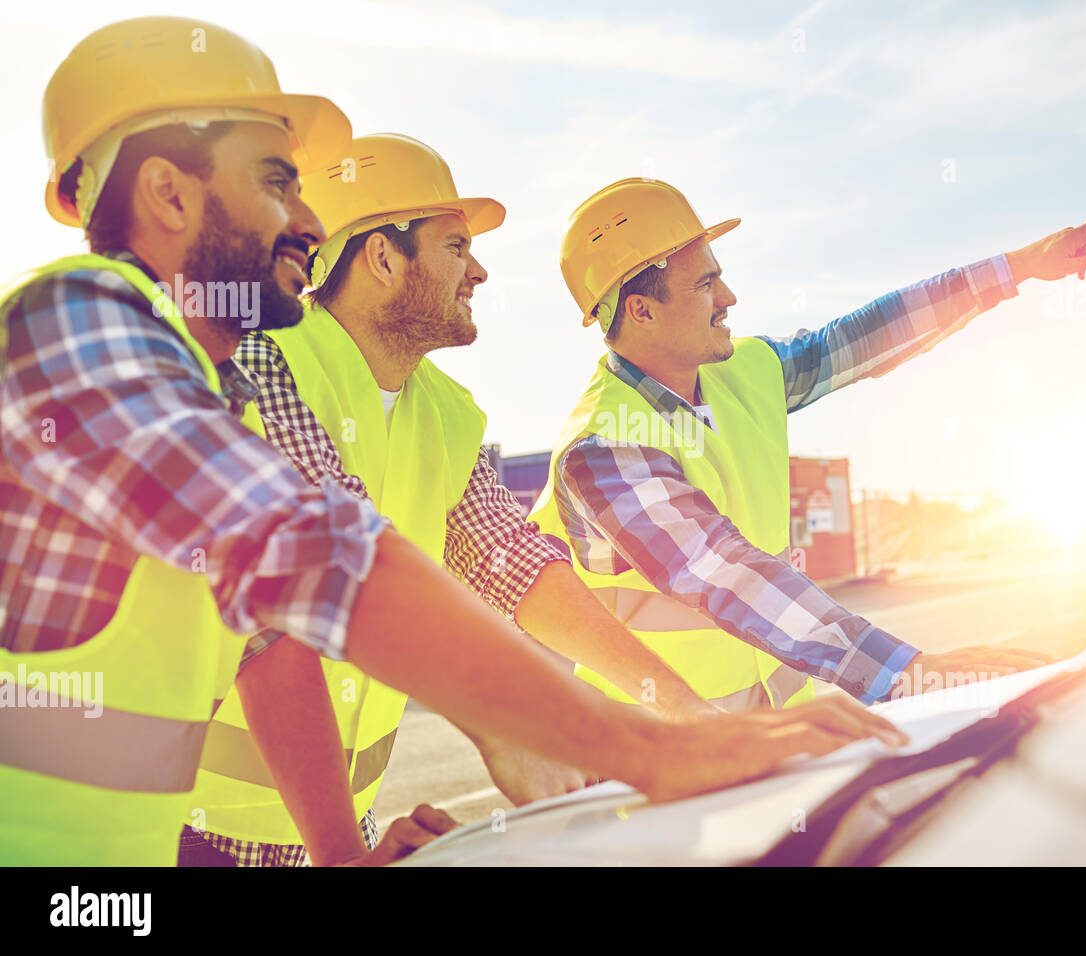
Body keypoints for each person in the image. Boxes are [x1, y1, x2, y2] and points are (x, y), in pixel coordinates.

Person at [0, 19, 905, 866]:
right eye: (278, 182)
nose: (307, 225)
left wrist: (339, 853)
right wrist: (644, 747)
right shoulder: (69, 327)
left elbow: (320, 618)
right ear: (166, 190)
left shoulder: (222, 385)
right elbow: (314, 558)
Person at [187, 133, 721, 866]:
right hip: (182, 829)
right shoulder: (262, 366)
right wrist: (515, 722)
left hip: (322, 831)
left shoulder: (443, 411)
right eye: (454, 246)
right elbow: (326, 583)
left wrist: (677, 706)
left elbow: (515, 565)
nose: (479, 270)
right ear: (382, 257)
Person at [533, 178, 1086, 710]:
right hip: (665, 771)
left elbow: (864, 337)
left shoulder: (745, 372)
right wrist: (905, 674)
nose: (729, 298)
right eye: (707, 283)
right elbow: (723, 573)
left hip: (781, 739)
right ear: (641, 310)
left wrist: (1016, 268)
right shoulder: (605, 448)